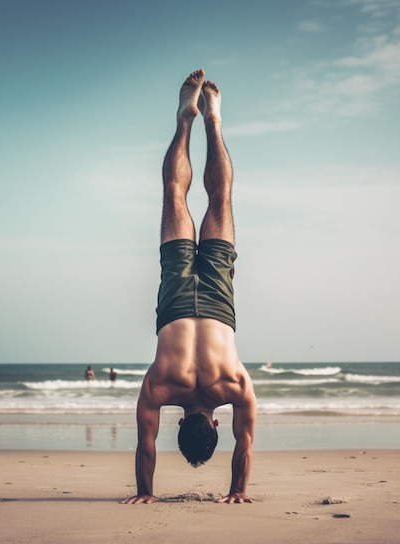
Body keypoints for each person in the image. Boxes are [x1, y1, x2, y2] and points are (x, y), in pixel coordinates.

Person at [122, 69, 256, 505]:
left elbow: (246, 444)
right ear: (180, 427)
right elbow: (144, 445)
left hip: (218, 298)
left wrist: (238, 490)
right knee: (174, 197)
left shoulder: (235, 385)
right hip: (176, 298)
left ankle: (212, 119)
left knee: (221, 201)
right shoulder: (160, 387)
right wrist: (146, 491)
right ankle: (187, 119)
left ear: (215, 426)